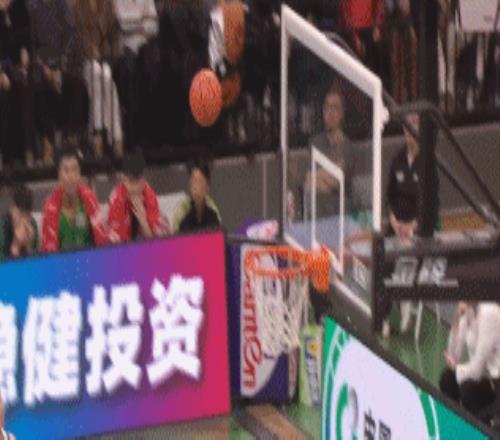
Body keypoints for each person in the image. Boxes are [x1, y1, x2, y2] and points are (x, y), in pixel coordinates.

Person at [384, 112, 439, 336]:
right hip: (396, 226)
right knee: (382, 258)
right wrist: (394, 222)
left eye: (414, 124)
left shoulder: (428, 163)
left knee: (405, 257)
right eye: (406, 125)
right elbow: (388, 198)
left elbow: (431, 206)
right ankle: (384, 316)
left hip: (418, 230)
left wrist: (412, 227)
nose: (409, 129)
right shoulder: (397, 159)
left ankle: (405, 300)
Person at [41, 146, 109, 252]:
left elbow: (102, 241)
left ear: (80, 174)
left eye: (74, 169)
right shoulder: (49, 206)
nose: (71, 176)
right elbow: (47, 252)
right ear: (59, 174)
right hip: (61, 261)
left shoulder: (90, 199)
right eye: (66, 170)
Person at [439, 302, 500, 420]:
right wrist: (457, 319)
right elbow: (453, 355)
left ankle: (481, 425)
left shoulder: (489, 313)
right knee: (447, 378)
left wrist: (457, 368)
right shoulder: (468, 313)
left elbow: (477, 370)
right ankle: (452, 421)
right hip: (485, 375)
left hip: (496, 379)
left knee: (467, 391)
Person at [304, 88, 352, 218]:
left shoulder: (347, 145)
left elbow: (335, 181)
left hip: (339, 209)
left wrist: (319, 177)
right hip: (316, 208)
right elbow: (308, 181)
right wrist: (325, 177)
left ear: (342, 114)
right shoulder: (315, 142)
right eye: (327, 107)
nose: (330, 112)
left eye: (335, 107)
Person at [107, 149, 168, 242]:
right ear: (124, 180)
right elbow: (118, 245)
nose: (135, 189)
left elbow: (156, 244)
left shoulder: (150, 195)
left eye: (139, 183)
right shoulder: (116, 198)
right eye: (131, 183)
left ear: (144, 180)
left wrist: (144, 222)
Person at [172, 159, 221, 233]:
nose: (196, 187)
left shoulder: (213, 212)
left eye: (200, 182)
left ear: (207, 187)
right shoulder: (181, 211)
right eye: (193, 181)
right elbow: (176, 235)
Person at [0, 184, 38, 260]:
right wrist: (16, 246)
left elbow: (36, 262)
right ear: (12, 209)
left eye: (27, 215)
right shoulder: (2, 228)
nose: (23, 220)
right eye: (20, 214)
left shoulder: (32, 224)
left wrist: (28, 246)